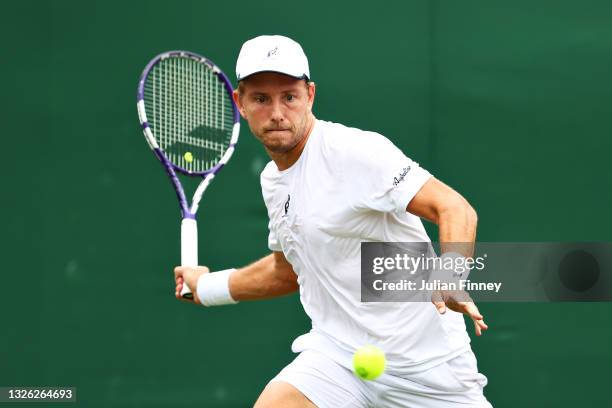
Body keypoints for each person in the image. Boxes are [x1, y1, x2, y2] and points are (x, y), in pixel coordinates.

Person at [174, 35, 492, 408]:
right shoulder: (274, 182)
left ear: (310, 95)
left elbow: (454, 208)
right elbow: (288, 271)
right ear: (240, 103)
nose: (277, 112)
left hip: (427, 369)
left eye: (289, 97)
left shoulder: (355, 153)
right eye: (261, 98)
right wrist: (208, 287)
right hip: (337, 358)